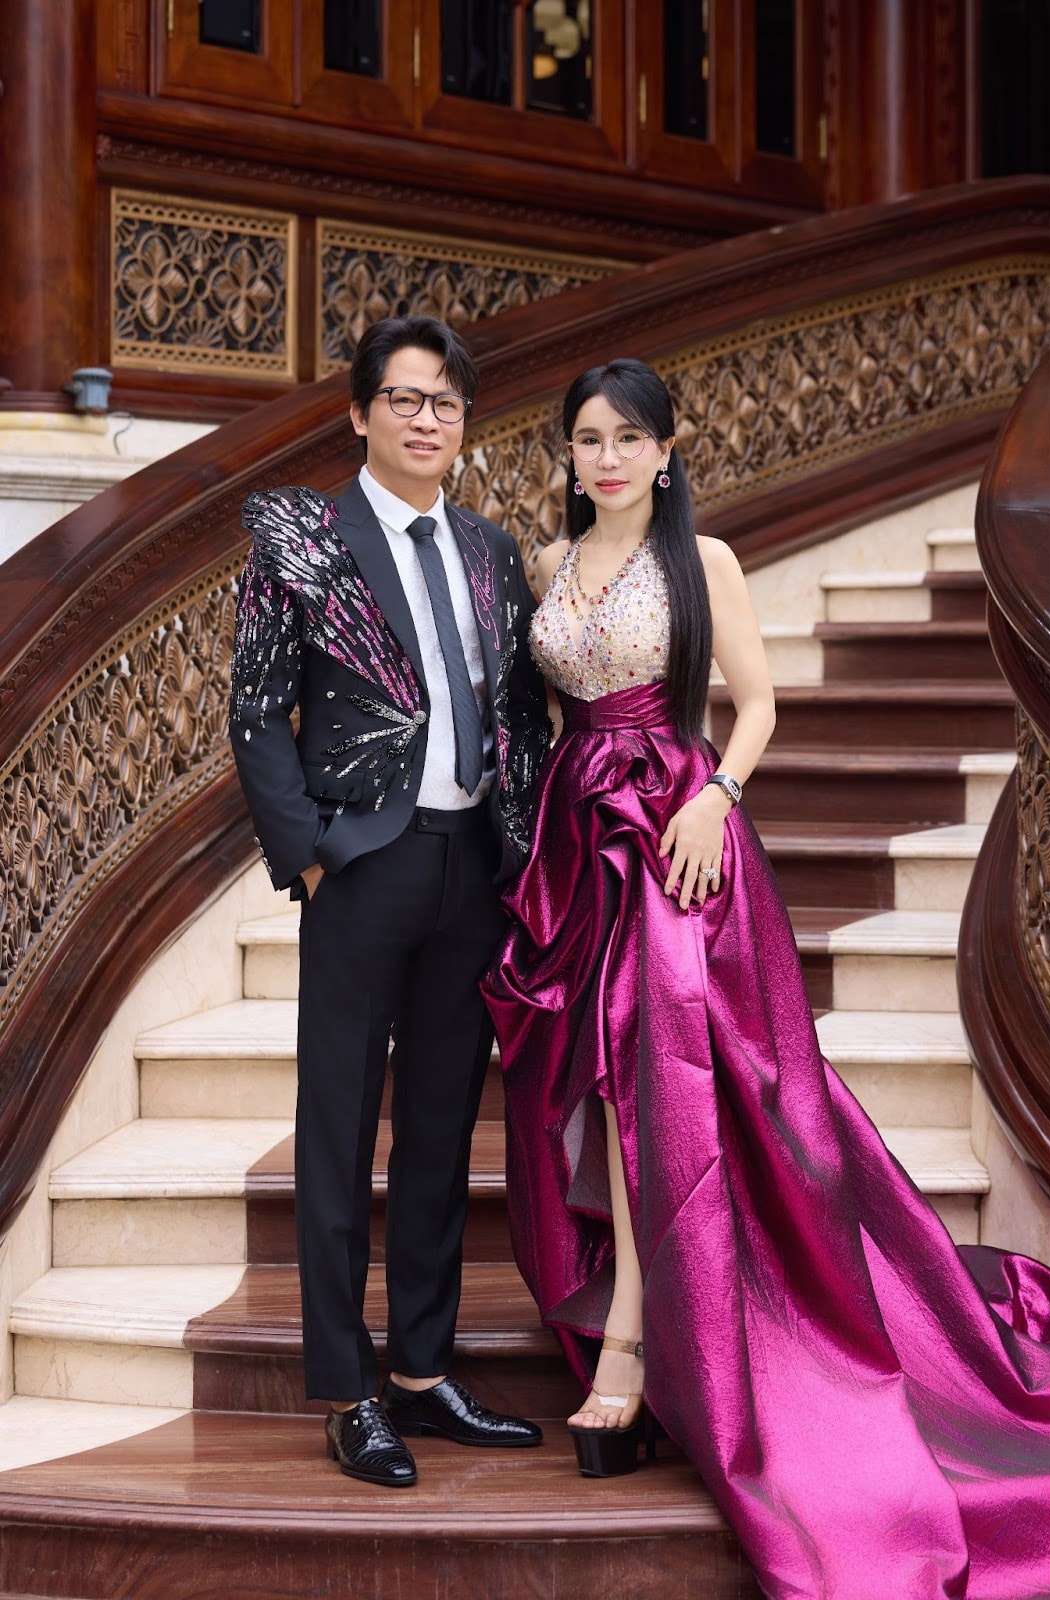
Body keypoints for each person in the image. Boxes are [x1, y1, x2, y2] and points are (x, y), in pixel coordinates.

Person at [483, 357, 1050, 1598]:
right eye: (588, 438)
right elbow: (538, 716)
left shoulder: (706, 563)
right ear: (569, 453)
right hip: (579, 835)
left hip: (679, 836)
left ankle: (633, 1341)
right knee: (588, 1071)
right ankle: (639, 1310)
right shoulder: (546, 564)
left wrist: (716, 799)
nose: (607, 458)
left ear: (667, 450)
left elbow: (756, 704)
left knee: (654, 1070)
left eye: (628, 437)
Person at [229, 315, 551, 1488]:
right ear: (361, 414)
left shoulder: (491, 549)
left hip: (472, 864)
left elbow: (517, 708)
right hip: (363, 865)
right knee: (338, 1127)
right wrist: (311, 854)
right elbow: (256, 709)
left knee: (439, 1129)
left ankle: (421, 1370)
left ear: (465, 423)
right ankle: (347, 1388)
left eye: (446, 403)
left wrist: (521, 845)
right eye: (405, 399)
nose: (427, 419)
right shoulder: (306, 540)